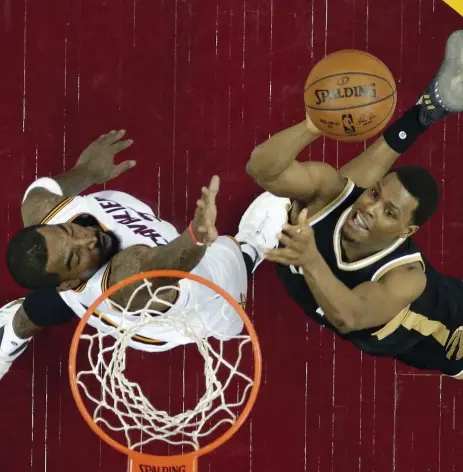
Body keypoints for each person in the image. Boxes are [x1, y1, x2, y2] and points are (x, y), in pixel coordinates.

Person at [239, 29, 463, 379]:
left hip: (451, 328)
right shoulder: (335, 194)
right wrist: (315, 123)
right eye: (374, 195)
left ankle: (422, 116)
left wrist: (310, 258)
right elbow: (261, 168)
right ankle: (422, 115)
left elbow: (350, 317)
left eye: (389, 213)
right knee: (336, 192)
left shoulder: (405, 278)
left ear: (407, 232)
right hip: (316, 247)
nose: (370, 208)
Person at [0, 130, 262, 379]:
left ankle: (14, 329)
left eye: (70, 231)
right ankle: (252, 247)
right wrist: (196, 236)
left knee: (61, 292)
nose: (87, 239)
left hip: (84, 286)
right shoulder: (123, 283)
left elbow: (37, 192)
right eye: (75, 257)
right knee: (230, 302)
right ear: (68, 282)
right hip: (183, 308)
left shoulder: (41, 210)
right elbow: (163, 266)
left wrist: (86, 172)